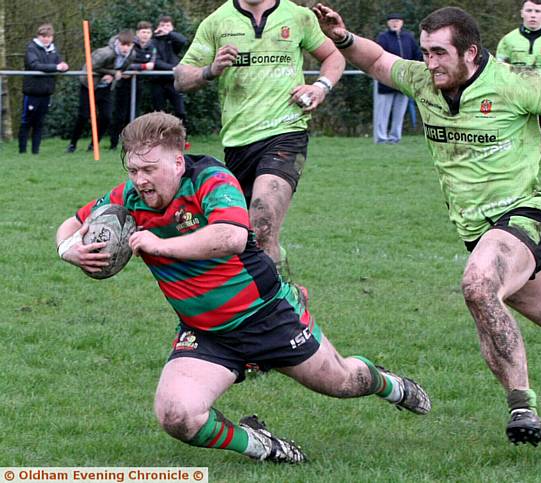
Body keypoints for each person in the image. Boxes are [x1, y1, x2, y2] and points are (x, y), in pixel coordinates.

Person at [313, 3, 541, 447]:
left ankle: (521, 405)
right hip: (477, 230)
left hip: (522, 215)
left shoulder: (513, 83)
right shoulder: (424, 80)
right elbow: (375, 61)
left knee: (479, 285)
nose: (430, 63)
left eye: (440, 53)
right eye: (425, 52)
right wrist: (343, 37)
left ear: (470, 51)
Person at [55, 112, 430, 464]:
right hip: (206, 332)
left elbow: (232, 236)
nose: (140, 179)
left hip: (266, 315)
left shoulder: (211, 179)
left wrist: (161, 245)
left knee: (344, 382)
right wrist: (68, 251)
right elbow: (70, 225)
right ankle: (262, 445)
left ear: (177, 162)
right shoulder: (130, 198)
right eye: (133, 169)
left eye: (149, 169)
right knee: (177, 415)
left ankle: (388, 384)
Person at [173, 0, 345, 272]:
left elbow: (334, 56)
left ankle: (278, 310)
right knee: (245, 239)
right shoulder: (218, 21)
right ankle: (283, 293)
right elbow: (181, 78)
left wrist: (320, 87)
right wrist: (211, 70)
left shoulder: (298, 16)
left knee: (262, 224)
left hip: (287, 134)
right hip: (237, 142)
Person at [496, 0, 541, 147]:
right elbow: (498, 73)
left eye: (537, 11)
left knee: (538, 146)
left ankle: (534, 167)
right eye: (529, 11)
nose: (533, 15)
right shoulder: (508, 40)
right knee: (510, 145)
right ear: (522, 13)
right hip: (514, 99)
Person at [66, 30, 134, 153]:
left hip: (105, 88)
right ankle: (72, 144)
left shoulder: (131, 55)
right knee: (83, 116)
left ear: (132, 45)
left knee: (106, 117)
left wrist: (113, 76)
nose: (125, 48)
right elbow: (91, 66)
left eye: (128, 45)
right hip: (89, 85)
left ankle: (93, 145)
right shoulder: (105, 53)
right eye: (123, 45)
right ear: (118, 43)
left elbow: (122, 69)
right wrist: (112, 73)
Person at [19, 23, 69, 154]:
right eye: (44, 36)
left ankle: (36, 152)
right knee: (26, 122)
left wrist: (64, 66)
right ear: (38, 36)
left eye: (49, 36)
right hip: (32, 92)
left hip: (46, 93)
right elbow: (34, 65)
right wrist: (56, 67)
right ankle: (22, 152)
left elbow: (59, 63)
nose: (46, 39)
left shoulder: (53, 50)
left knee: (39, 123)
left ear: (52, 37)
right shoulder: (31, 48)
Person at [373, 12, 421, 144]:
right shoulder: (383, 38)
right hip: (385, 80)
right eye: (392, 21)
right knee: (382, 111)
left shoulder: (408, 38)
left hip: (404, 80)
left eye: (398, 21)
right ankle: (381, 138)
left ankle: (395, 137)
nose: (395, 23)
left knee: (400, 112)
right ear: (388, 23)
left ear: (402, 23)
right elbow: (377, 56)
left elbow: (417, 55)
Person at [109, 21, 157, 151]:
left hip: (138, 84)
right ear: (138, 33)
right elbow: (125, 64)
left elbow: (152, 65)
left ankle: (131, 144)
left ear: (151, 34)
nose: (145, 35)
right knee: (119, 115)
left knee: (134, 115)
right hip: (123, 84)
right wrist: (142, 66)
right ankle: (113, 143)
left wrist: (141, 67)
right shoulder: (130, 44)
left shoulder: (152, 47)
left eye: (148, 32)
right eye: (143, 32)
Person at [150, 16, 188, 127]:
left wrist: (169, 33)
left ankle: (183, 139)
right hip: (157, 81)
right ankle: (159, 139)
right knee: (158, 113)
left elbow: (183, 40)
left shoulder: (173, 40)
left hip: (173, 81)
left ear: (172, 28)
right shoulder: (152, 42)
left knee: (180, 111)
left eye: (168, 26)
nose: (165, 28)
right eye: (162, 25)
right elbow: (155, 61)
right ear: (157, 27)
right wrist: (171, 68)